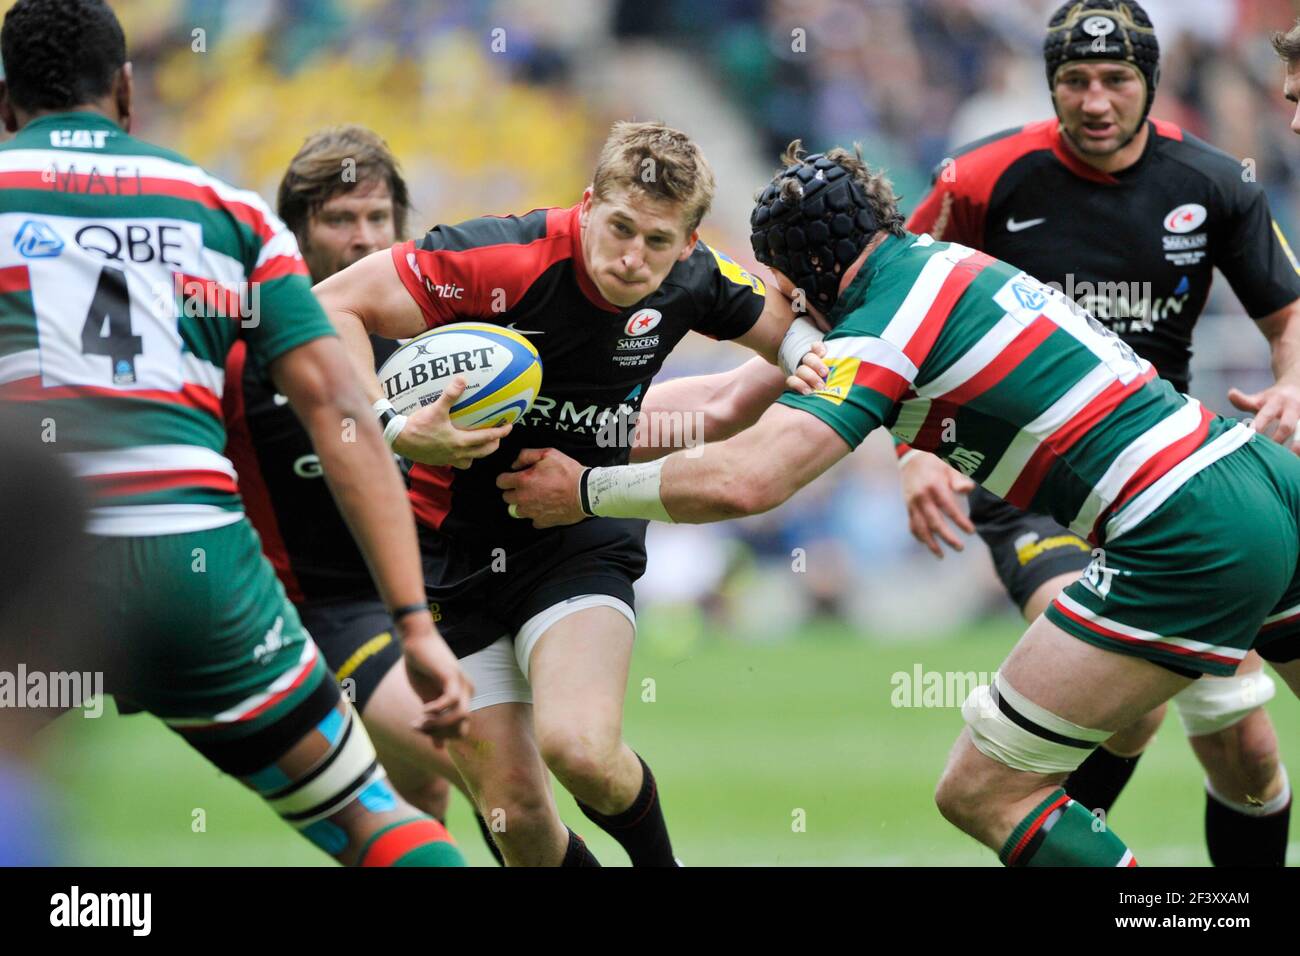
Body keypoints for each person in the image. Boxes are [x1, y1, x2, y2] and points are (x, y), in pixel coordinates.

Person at [499, 141, 1300, 866]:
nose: (779, 306)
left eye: (779, 285)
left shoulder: (882, 325)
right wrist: (558, 426)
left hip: (1186, 527)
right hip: (1260, 476)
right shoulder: (931, 269)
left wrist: (584, 491)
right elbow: (718, 407)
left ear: (807, 274)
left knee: (983, 791)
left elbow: (753, 478)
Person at [0, 0, 470, 866]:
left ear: (5, 104)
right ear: (128, 92)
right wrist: (414, 622)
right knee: (373, 818)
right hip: (199, 567)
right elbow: (342, 412)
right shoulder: (227, 209)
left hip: (31, 562)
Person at [315, 120, 812, 866]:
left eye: (656, 240)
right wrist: (391, 426)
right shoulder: (497, 259)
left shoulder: (699, 275)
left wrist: (814, 355)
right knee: (518, 822)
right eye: (619, 228)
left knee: (579, 750)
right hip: (447, 552)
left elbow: (803, 336)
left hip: (578, 533)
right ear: (586, 205)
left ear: (687, 241)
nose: (631, 257)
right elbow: (329, 304)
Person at [890, 0, 1299, 865]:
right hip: (1030, 484)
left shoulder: (1217, 183)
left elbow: (1287, 313)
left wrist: (1292, 385)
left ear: (1150, 82)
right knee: (1132, 706)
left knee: (1250, 756)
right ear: (1050, 87)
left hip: (1176, 490)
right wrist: (911, 454)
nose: (1097, 99)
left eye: (1117, 79)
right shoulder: (983, 178)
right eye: (1075, 80)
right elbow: (888, 308)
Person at [222, 125, 501, 861]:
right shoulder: (250, 350)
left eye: (378, 218)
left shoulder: (431, 341)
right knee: (488, 769)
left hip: (438, 593)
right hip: (331, 614)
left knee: (425, 804)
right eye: (339, 219)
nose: (363, 238)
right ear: (295, 233)